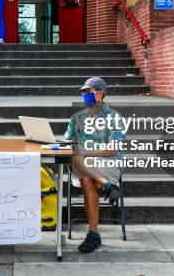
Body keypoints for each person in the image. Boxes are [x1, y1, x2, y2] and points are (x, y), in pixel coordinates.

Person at [64, 77, 126, 253]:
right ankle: (108, 187)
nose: (84, 96)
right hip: (84, 165)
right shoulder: (76, 119)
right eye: (83, 93)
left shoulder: (115, 117)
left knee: (85, 177)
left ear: (100, 94)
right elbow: (67, 143)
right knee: (78, 164)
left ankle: (93, 234)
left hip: (109, 164)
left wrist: (86, 153)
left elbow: (113, 150)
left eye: (88, 92)